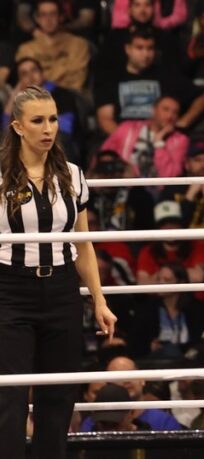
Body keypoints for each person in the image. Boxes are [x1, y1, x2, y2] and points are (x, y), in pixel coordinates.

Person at [0, 86, 117, 459]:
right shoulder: (0, 175)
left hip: (63, 288)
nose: (48, 128)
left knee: (59, 394)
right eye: (37, 121)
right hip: (10, 288)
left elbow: (83, 244)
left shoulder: (72, 175)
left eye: (52, 119)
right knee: (11, 394)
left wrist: (99, 300)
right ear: (18, 126)